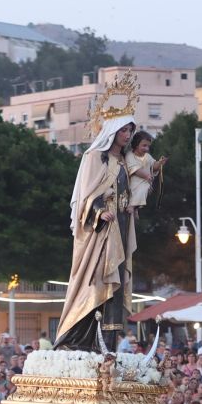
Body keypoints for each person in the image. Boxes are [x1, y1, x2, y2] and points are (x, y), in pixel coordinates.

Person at [54, 115, 135, 351]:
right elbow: (84, 197)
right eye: (123, 131)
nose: (127, 136)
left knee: (115, 289)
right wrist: (99, 211)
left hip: (120, 228)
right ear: (112, 131)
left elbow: (125, 193)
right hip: (99, 234)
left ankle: (107, 348)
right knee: (95, 283)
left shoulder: (122, 162)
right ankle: (77, 339)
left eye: (130, 131)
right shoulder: (93, 157)